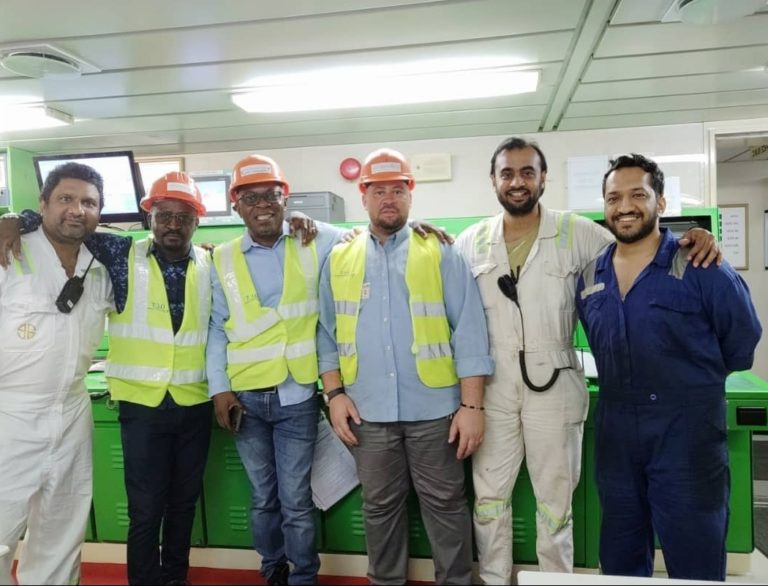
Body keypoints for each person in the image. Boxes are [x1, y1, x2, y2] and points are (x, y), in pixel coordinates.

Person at [454, 137, 721, 583]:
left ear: (543, 179)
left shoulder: (576, 232)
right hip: (493, 386)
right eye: (507, 173)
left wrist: (692, 238)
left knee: (555, 502)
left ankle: (555, 579)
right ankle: (494, 579)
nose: (517, 182)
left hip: (555, 384)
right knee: (488, 497)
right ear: (493, 180)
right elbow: (452, 297)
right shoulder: (471, 240)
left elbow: (640, 245)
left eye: (527, 172)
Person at [575, 154, 761, 581]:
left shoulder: (701, 265)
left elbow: (742, 342)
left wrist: (692, 384)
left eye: (638, 195)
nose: (625, 206)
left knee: (694, 555)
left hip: (687, 433)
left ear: (660, 202)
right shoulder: (590, 276)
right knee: (620, 555)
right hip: (617, 432)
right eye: (614, 198)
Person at [317, 148, 494, 585]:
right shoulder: (339, 256)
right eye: (379, 191)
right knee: (379, 508)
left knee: (446, 505)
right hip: (367, 413)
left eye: (398, 190)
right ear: (363, 197)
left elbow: (469, 330)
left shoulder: (440, 251)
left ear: (411, 195)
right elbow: (326, 334)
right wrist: (334, 395)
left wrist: (472, 407)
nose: (389, 199)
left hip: (435, 412)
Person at [207, 154, 347, 586]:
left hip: (297, 395)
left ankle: (303, 577)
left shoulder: (313, 240)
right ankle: (273, 571)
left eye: (271, 195)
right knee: (264, 498)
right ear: (236, 206)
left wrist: (418, 228)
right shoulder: (221, 258)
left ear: (286, 199)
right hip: (246, 400)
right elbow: (215, 329)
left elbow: (366, 236)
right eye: (251, 198)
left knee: (297, 500)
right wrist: (219, 390)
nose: (262, 205)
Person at [0, 163, 113, 585]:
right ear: (43, 204)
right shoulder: (7, 252)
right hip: (10, 413)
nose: (77, 210)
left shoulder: (102, 265)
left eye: (89, 202)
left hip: (72, 412)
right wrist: (11, 219)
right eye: (66, 198)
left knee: (61, 532)